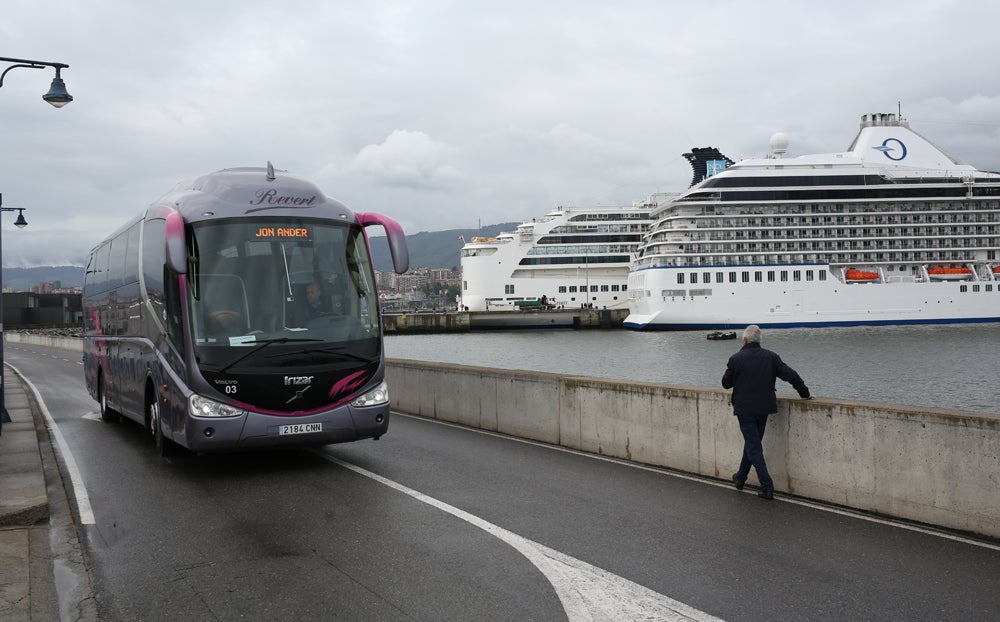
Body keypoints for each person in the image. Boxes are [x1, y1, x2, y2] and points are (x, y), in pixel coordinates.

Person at [721, 324, 812, 499]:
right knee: (752, 444)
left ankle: (767, 486)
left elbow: (726, 383)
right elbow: (791, 375)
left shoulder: (736, 358)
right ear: (759, 340)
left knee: (754, 446)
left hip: (744, 409)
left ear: (745, 340)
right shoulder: (771, 357)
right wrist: (805, 393)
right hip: (764, 408)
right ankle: (740, 477)